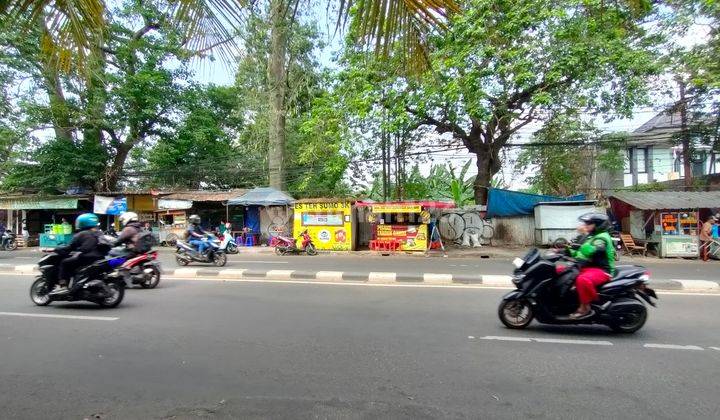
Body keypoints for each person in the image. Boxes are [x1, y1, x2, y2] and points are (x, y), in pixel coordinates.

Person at [567, 213, 616, 319]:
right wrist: (564, 251)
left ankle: (585, 307)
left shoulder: (602, 238)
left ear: (598, 225)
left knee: (582, 280)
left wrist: (585, 240)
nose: (585, 225)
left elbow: (593, 250)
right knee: (562, 271)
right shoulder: (592, 236)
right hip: (589, 267)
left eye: (589, 223)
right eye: (586, 223)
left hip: (603, 270)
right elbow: (579, 252)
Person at [54, 213, 106, 293]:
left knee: (64, 263)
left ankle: (63, 286)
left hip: (86, 258)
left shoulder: (81, 234)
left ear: (83, 223)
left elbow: (70, 247)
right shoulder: (99, 232)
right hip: (100, 258)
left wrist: (57, 249)